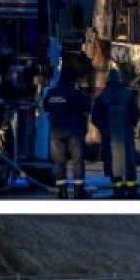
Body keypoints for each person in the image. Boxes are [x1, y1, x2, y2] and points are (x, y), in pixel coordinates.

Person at [43, 67, 91, 199]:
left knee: (59, 162)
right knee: (77, 161)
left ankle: (62, 191)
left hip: (56, 132)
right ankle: (78, 190)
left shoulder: (51, 93)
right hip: (74, 131)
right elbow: (87, 107)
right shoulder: (75, 93)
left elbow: (45, 107)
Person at [92, 69, 140, 198]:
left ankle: (117, 188)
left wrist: (103, 128)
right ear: (119, 80)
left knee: (113, 159)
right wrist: (130, 126)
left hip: (109, 134)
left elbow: (95, 117)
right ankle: (132, 189)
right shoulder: (128, 95)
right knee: (129, 159)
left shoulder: (102, 97)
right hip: (126, 133)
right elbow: (135, 114)